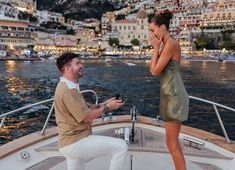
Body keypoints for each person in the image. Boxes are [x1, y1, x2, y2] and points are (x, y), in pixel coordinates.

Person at [54, 53, 127, 170]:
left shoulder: (67, 86)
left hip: (69, 141)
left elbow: (85, 108)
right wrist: (108, 107)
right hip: (74, 142)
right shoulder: (68, 90)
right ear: (67, 68)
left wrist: (105, 103)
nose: (81, 65)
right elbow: (86, 117)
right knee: (120, 146)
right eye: (77, 63)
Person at [149, 10, 189, 170]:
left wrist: (155, 48)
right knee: (171, 143)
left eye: (153, 29)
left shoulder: (171, 44)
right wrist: (157, 48)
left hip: (173, 95)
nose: (152, 33)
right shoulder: (167, 44)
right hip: (169, 94)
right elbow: (153, 67)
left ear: (163, 28)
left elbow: (154, 71)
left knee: (172, 143)